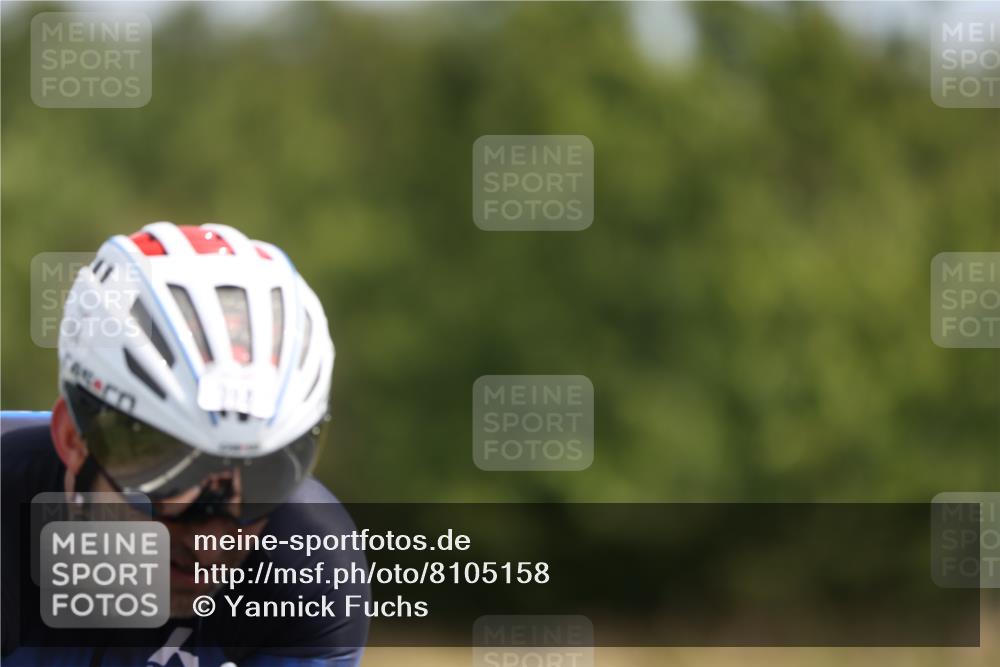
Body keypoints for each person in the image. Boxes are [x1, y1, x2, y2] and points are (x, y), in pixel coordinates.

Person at [1, 223, 369, 666]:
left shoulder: (309, 568)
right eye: (169, 484)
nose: (209, 548)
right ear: (73, 441)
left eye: (262, 480)